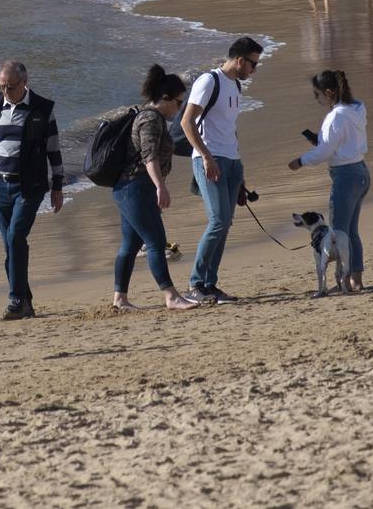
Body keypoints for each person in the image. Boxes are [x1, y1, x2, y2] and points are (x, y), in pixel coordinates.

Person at [180, 37, 264, 304]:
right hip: (209, 160)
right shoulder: (208, 81)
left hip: (232, 161)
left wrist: (240, 173)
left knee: (225, 224)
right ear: (240, 60)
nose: (254, 70)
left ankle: (209, 284)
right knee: (217, 221)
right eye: (253, 64)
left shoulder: (236, 86)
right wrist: (206, 157)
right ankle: (195, 284)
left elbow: (230, 128)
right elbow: (186, 122)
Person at [0, 59, 65, 320]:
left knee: (16, 237)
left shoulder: (42, 108)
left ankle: (16, 300)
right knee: (11, 245)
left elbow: (53, 149)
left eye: (11, 87)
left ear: (25, 83)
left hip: (29, 187)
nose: (6, 92)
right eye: (2, 86)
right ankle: (25, 301)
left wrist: (58, 187)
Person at [110, 66, 200, 312]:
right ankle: (171, 296)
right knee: (156, 240)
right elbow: (149, 155)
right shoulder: (150, 118)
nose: (180, 108)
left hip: (129, 188)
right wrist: (161, 186)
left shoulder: (152, 117)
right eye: (179, 102)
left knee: (130, 244)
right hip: (135, 187)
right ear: (166, 98)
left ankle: (120, 299)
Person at [287, 70, 370, 292]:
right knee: (351, 232)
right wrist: (322, 142)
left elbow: (324, 152)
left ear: (329, 93)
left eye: (318, 95)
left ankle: (345, 281)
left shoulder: (335, 116)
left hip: (345, 176)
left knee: (339, 235)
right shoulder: (357, 107)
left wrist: (300, 161)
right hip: (360, 171)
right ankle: (356, 279)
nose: (318, 100)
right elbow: (338, 143)